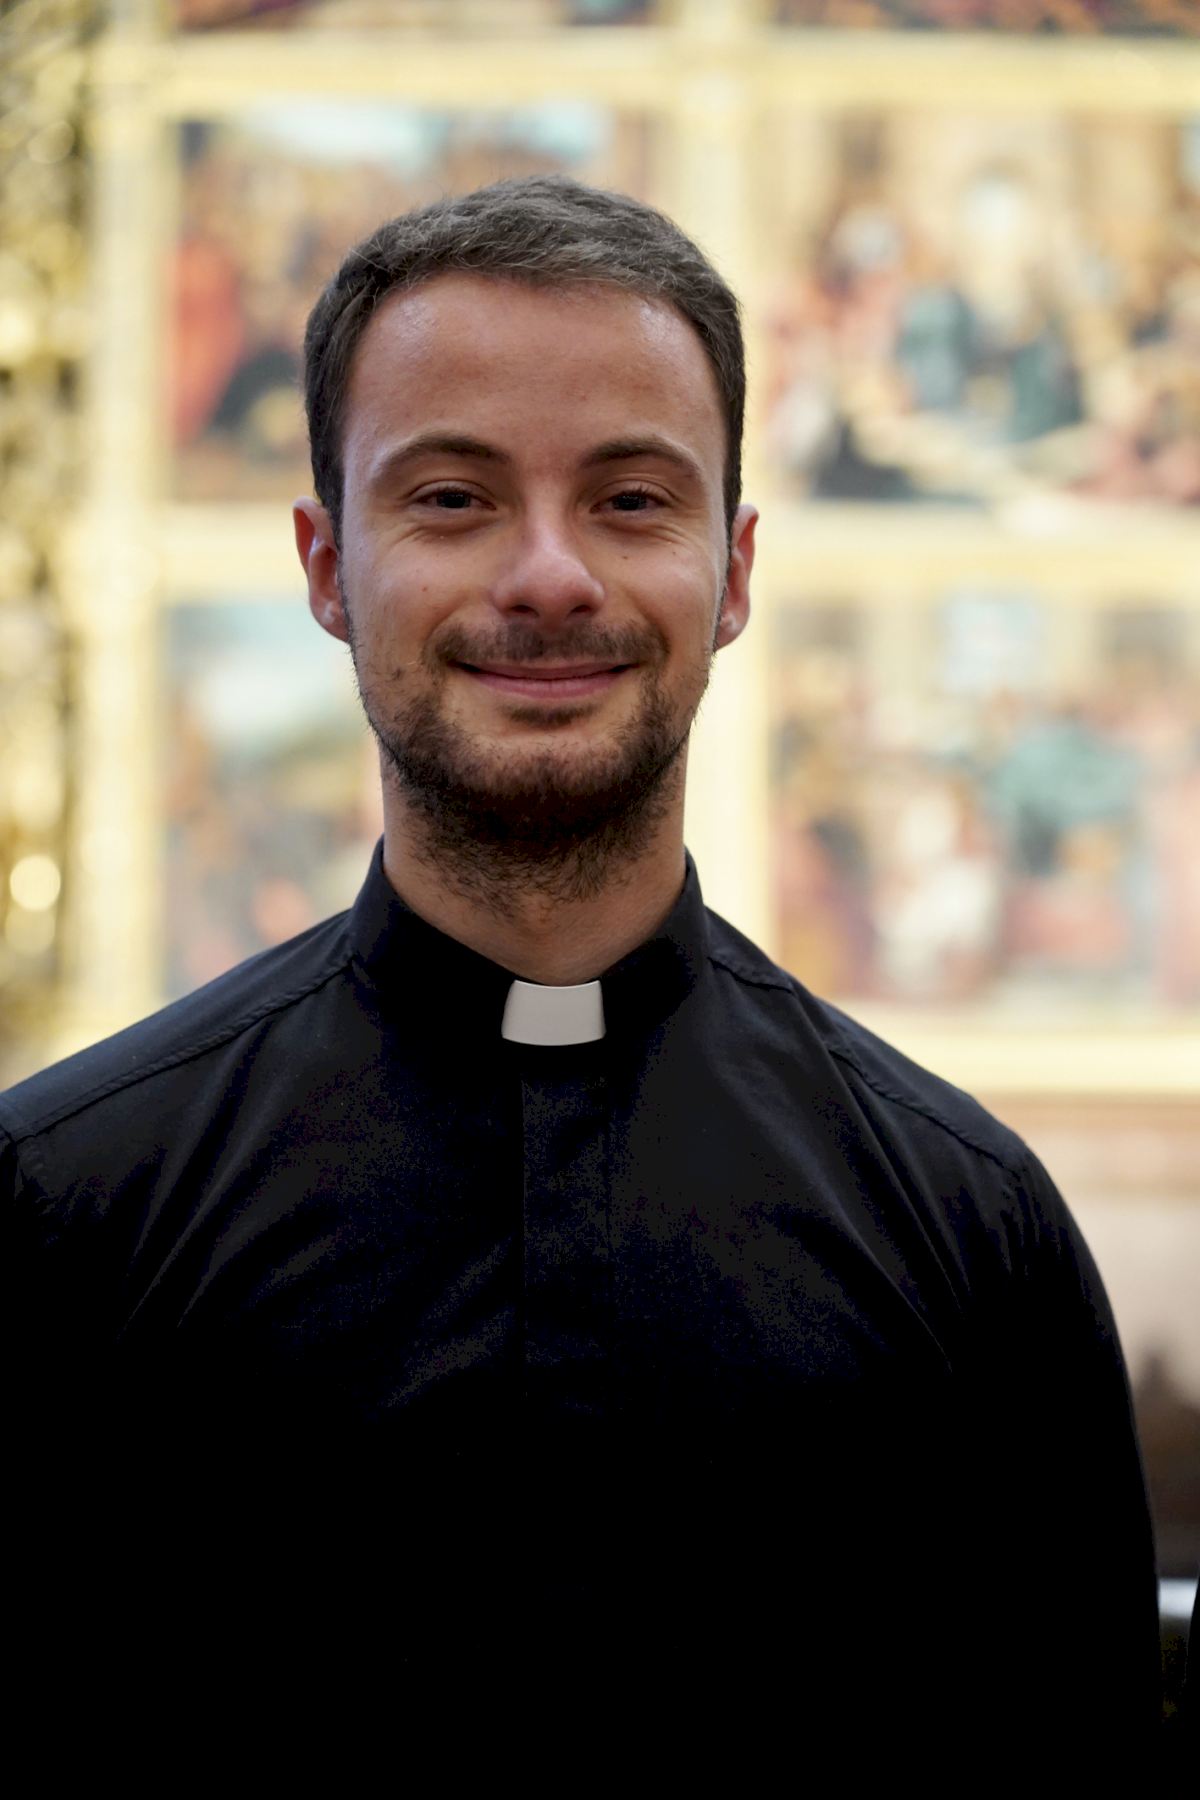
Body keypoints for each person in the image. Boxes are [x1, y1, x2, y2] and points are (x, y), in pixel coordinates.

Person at [2, 176, 1162, 1751]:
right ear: (328, 567)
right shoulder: (60, 1208)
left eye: (629, 499)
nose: (550, 577)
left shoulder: (972, 1231)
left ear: (733, 572)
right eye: (452, 498)